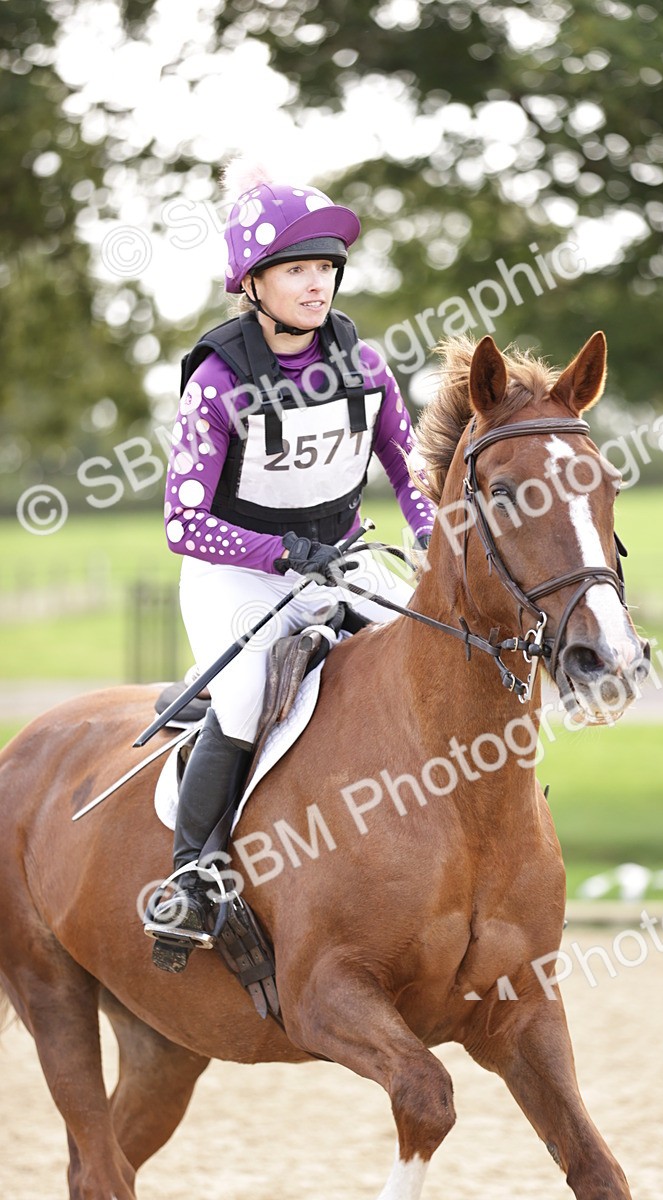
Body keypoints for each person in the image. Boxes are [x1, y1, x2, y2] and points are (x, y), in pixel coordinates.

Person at [144, 163, 436, 972]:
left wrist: (430, 541)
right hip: (238, 572)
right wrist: (282, 554)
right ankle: (190, 877)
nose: (317, 286)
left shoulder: (365, 364)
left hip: (341, 561)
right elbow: (182, 521)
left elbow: (411, 473)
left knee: (435, 648)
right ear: (255, 284)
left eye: (325, 269)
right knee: (244, 690)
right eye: (297, 270)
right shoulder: (217, 380)